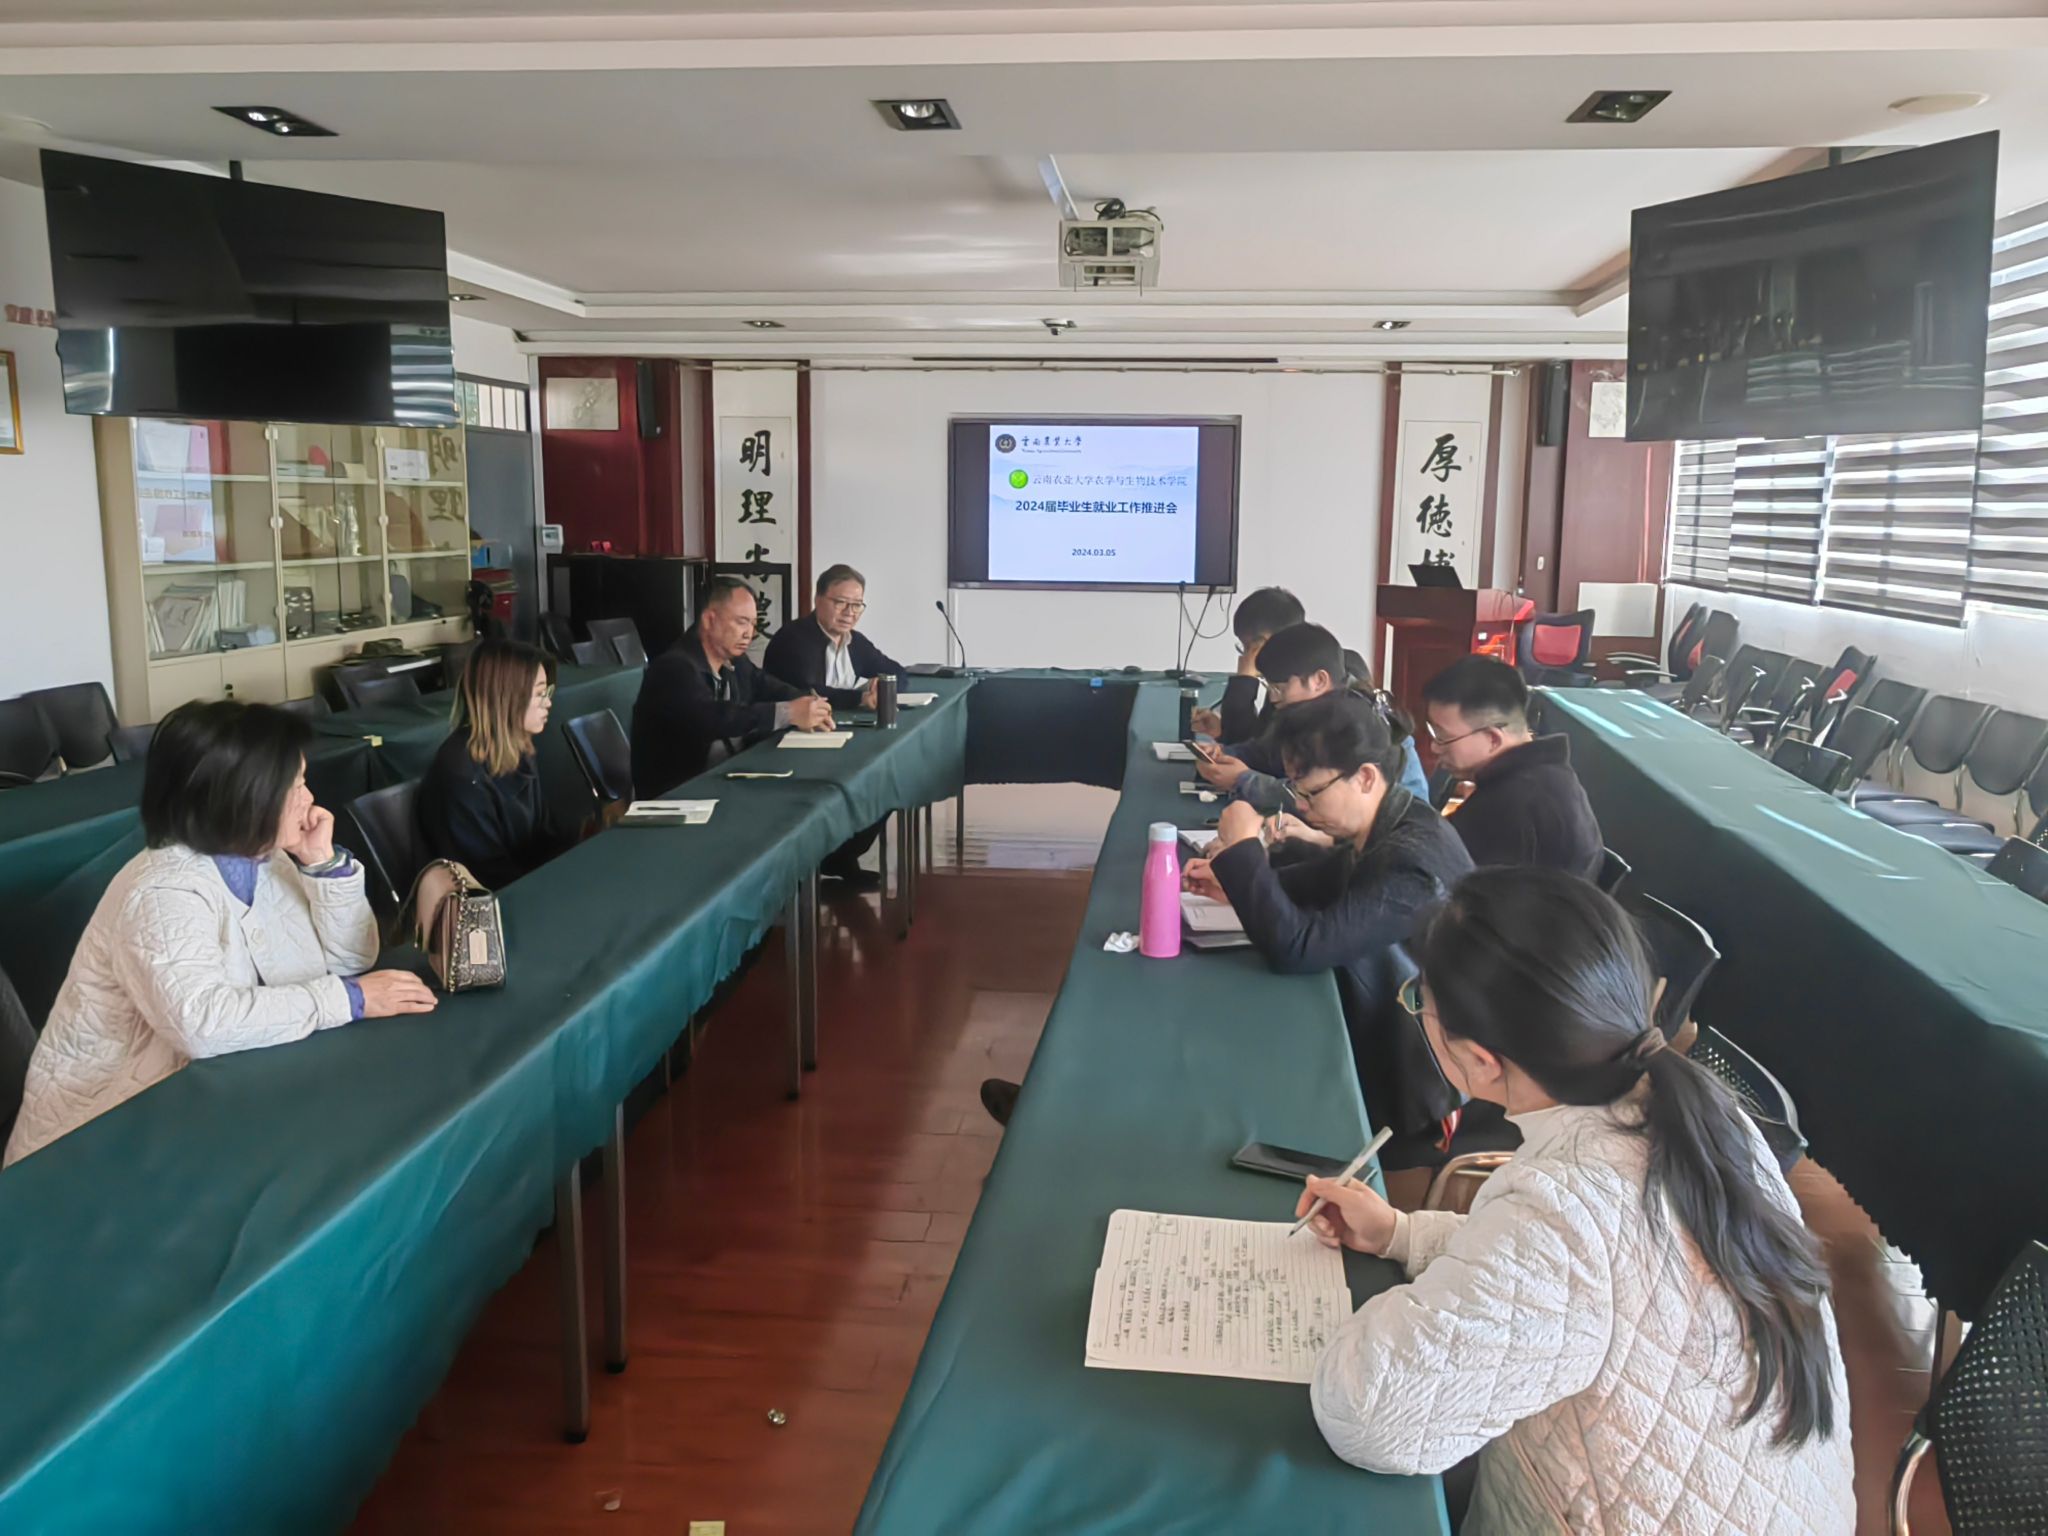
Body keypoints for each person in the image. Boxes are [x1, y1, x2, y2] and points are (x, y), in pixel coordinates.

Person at [1297, 868, 1853, 1533]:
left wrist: (1377, 1315)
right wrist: (1401, 1234)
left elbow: (1370, 1415)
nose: (1417, 1009)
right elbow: (1579, 1285)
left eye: (1421, 1000)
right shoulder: (1704, 1115)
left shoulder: (1563, 1205)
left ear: (1480, 1060)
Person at [4, 701, 437, 1165]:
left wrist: (322, 865)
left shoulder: (266, 858)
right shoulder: (161, 890)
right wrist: (348, 999)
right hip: (95, 1141)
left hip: (208, 1102)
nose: (310, 797)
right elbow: (203, 1026)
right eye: (294, 786)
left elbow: (352, 960)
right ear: (243, 797)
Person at [1184, 691, 1471, 1162]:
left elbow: (1297, 948)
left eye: (1310, 792)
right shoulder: (1394, 819)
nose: (1300, 806)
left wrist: (1243, 850)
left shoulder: (1413, 864)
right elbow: (1329, 878)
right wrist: (1234, 881)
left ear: (1365, 777)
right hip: (1381, 1024)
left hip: (1416, 1083)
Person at [631, 576, 835, 799]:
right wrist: (788, 712)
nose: (750, 633)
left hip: (723, 777)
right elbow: (715, 718)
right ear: (709, 620)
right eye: (741, 622)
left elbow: (766, 685)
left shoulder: (734, 660)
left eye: (753, 624)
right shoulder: (674, 668)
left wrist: (809, 702)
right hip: (680, 794)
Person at [1195, 622, 1429, 808]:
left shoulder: (1356, 724)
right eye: (1270, 688)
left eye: (1280, 688)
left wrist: (1243, 780)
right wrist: (1223, 754)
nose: (1274, 698)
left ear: (1319, 680)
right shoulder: (1313, 710)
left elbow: (1316, 798)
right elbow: (1269, 752)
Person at [1422, 655, 1603, 878]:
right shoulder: (1551, 775)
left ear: (1492, 739)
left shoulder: (1511, 807)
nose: (1435, 747)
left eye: (1442, 737)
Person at [418, 639, 577, 890]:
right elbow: (487, 875)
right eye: (539, 694)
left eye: (547, 692)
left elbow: (543, 836)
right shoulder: (462, 773)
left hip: (526, 884)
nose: (548, 703)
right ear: (506, 697)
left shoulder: (519, 748)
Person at [762, 563, 908, 712]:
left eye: (857, 605)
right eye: (841, 602)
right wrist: (860, 698)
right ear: (817, 600)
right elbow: (809, 692)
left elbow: (898, 673)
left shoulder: (855, 641)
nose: (849, 612)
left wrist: (882, 686)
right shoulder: (792, 638)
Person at [1190, 586, 1305, 744]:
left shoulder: (1299, 688)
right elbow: (1256, 743)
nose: (1248, 656)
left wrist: (1244, 681)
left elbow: (1258, 752)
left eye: (1255, 646)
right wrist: (1221, 732)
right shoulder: (1279, 680)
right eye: (1245, 647)